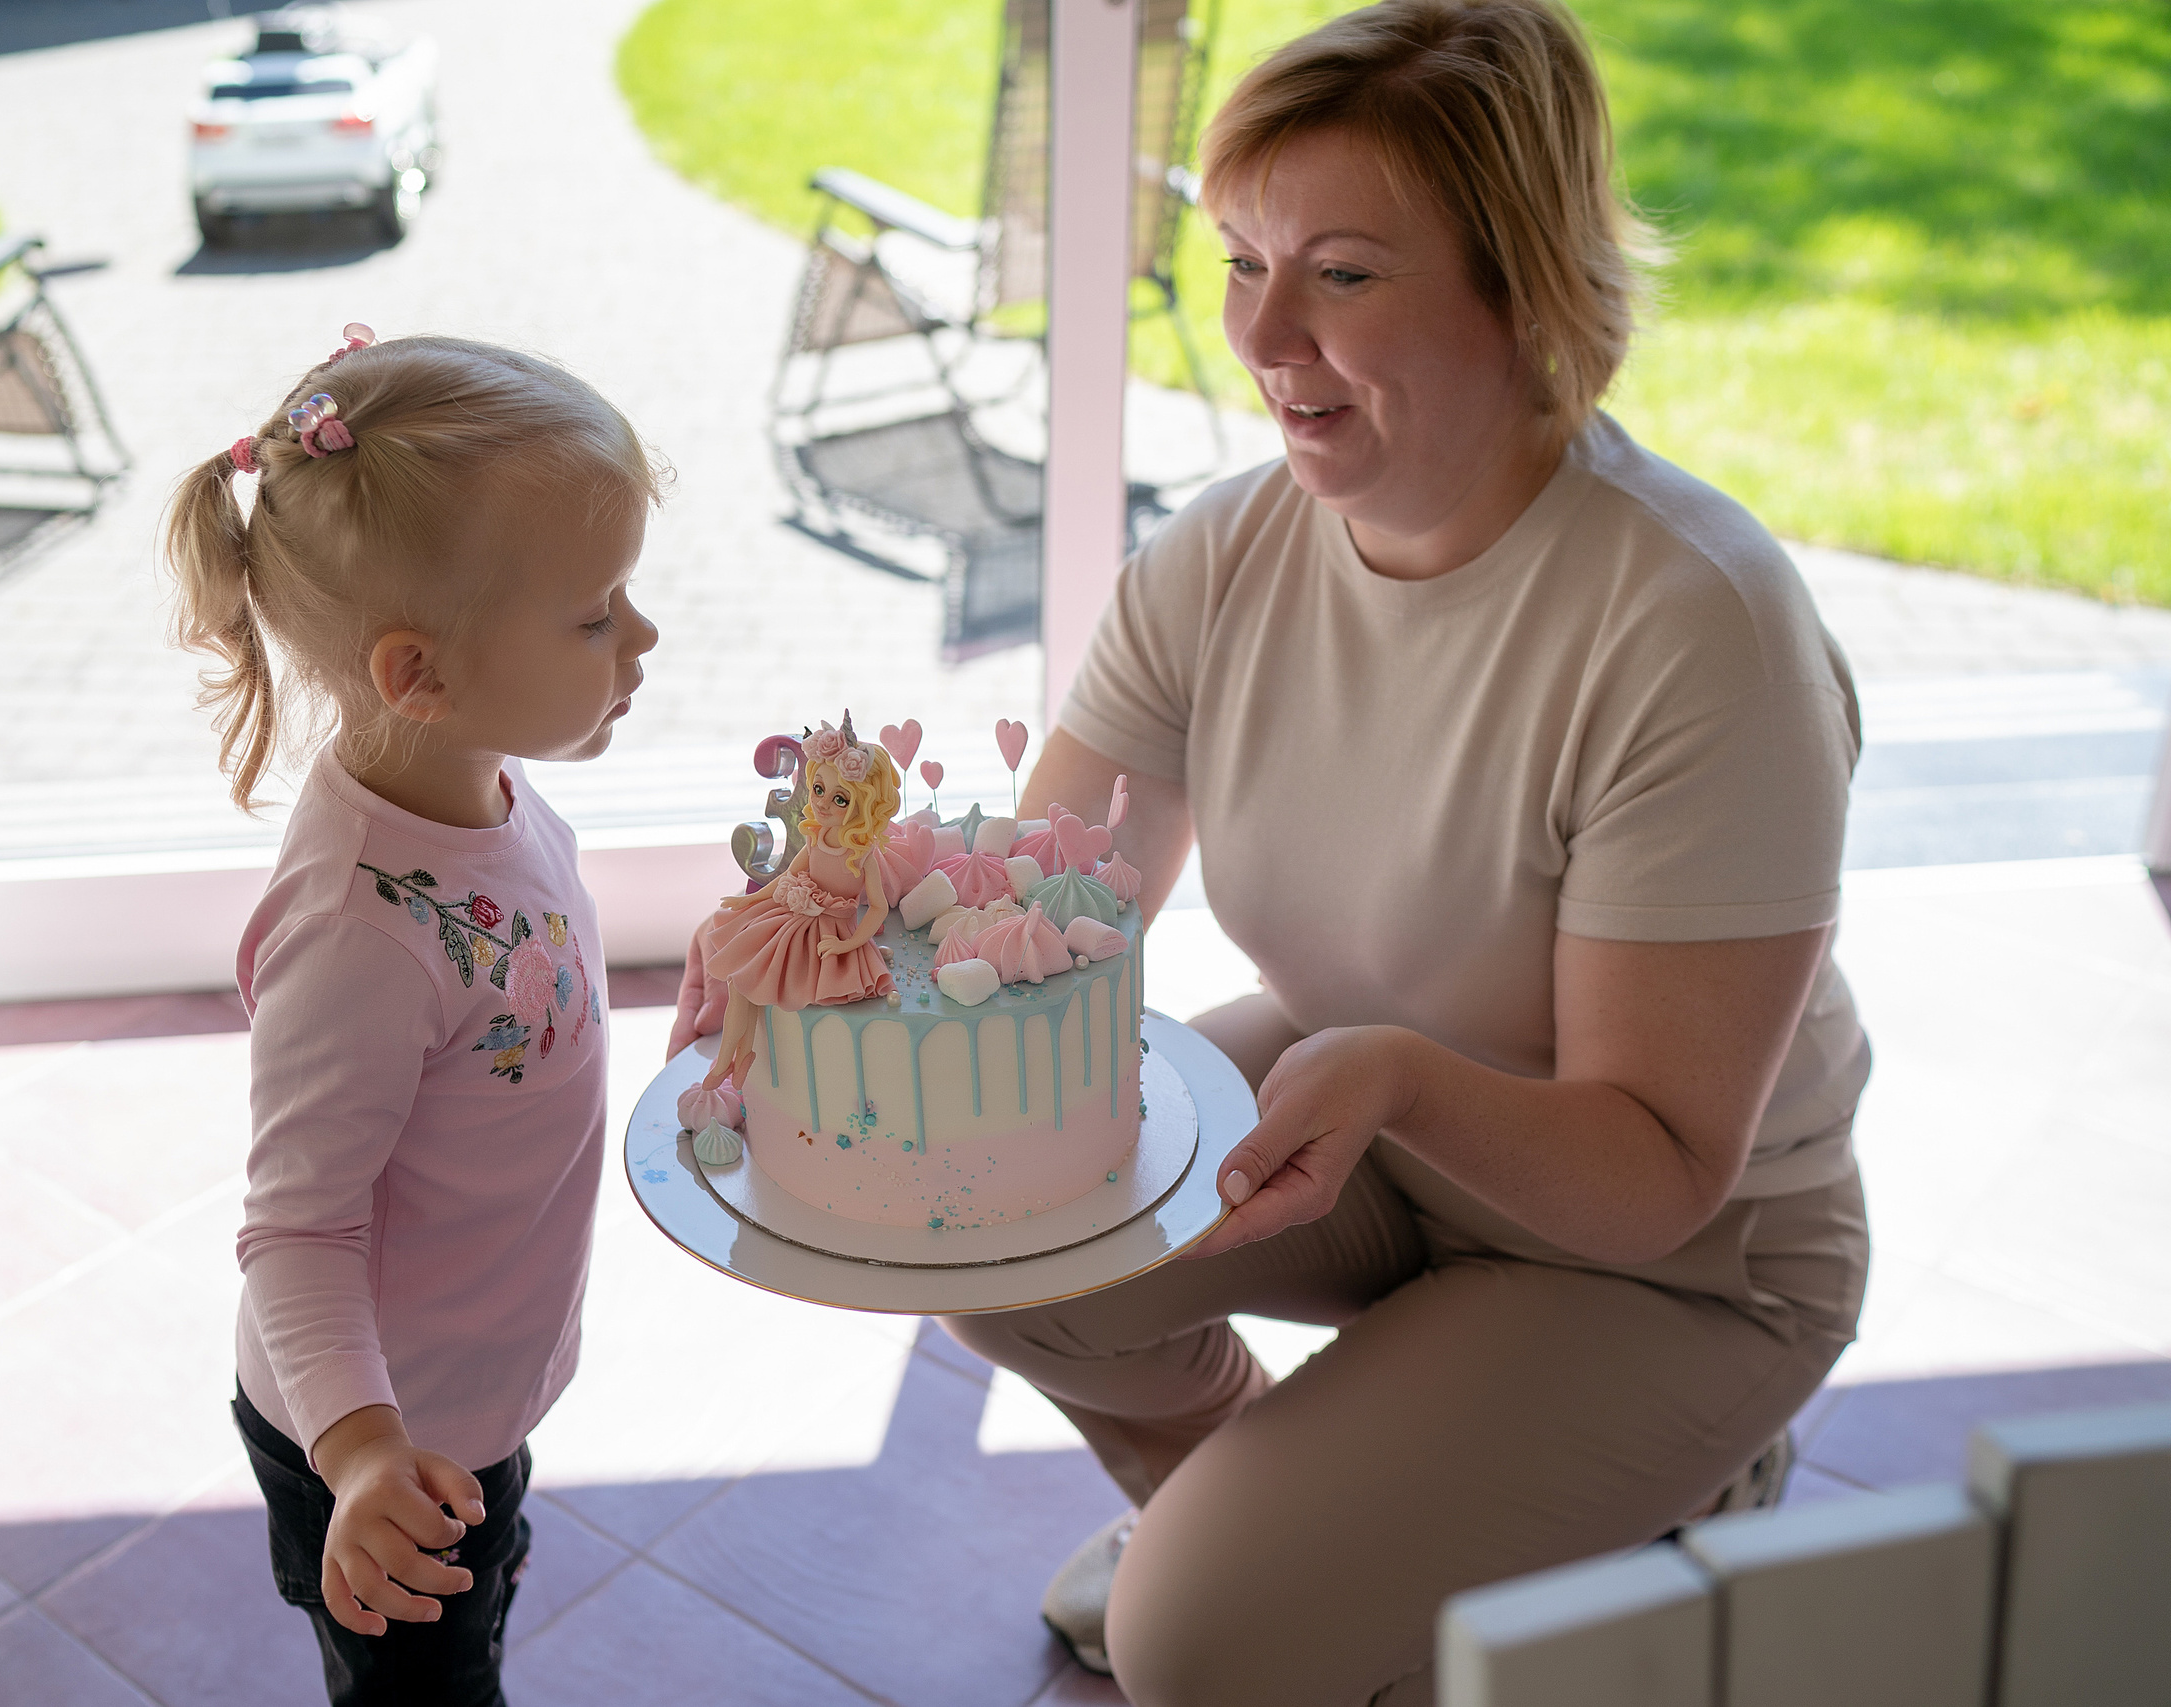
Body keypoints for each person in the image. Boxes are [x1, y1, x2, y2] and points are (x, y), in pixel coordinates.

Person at [671, 2, 1872, 1700]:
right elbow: (1026, 908)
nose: (1265, 332)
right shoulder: (1229, 552)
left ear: (1523, 289)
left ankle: (1632, 1485)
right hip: (1366, 1113)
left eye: (1346, 273)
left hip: (1679, 1252)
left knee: (1200, 1648)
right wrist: (809, 953)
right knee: (989, 1243)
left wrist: (1392, 1074)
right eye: (1239, 257)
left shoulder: (1698, 627)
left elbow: (1663, 1162)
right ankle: (1268, 1517)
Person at [166, 326, 665, 1706]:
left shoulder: (474, 780)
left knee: (470, 1632)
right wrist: (366, 1454)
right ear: (416, 673)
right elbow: (295, 1228)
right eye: (596, 613)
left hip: (460, 1400)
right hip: (381, 1440)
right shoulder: (356, 930)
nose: (643, 635)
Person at [695, 718, 901, 1093]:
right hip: (792, 917)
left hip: (827, 935)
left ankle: (732, 1060)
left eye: (839, 799)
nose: (821, 803)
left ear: (862, 806)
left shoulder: (863, 853)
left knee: (745, 980)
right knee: (739, 978)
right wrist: (750, 899)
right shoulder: (816, 835)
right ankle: (736, 1058)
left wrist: (849, 944)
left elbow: (878, 909)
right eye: (818, 789)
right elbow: (785, 877)